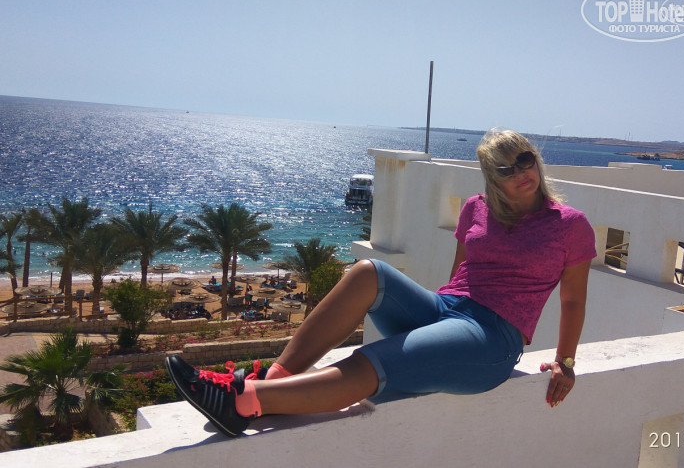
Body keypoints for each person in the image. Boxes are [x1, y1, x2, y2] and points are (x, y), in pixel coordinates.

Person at [166, 129, 596, 437]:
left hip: (492, 337)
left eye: (526, 160)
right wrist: (439, 326)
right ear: (491, 176)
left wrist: (566, 361)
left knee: (372, 360)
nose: (521, 171)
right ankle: (277, 377)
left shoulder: (569, 225)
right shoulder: (476, 208)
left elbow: (573, 300)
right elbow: (460, 274)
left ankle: (243, 402)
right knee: (368, 272)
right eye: (507, 167)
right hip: (449, 311)